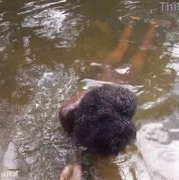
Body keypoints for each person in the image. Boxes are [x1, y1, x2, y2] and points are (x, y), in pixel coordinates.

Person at [59, 21, 157, 180]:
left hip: (114, 91)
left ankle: (150, 26)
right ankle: (131, 24)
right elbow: (74, 141)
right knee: (121, 51)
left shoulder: (120, 118)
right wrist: (75, 164)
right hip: (103, 88)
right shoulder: (67, 114)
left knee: (140, 53)